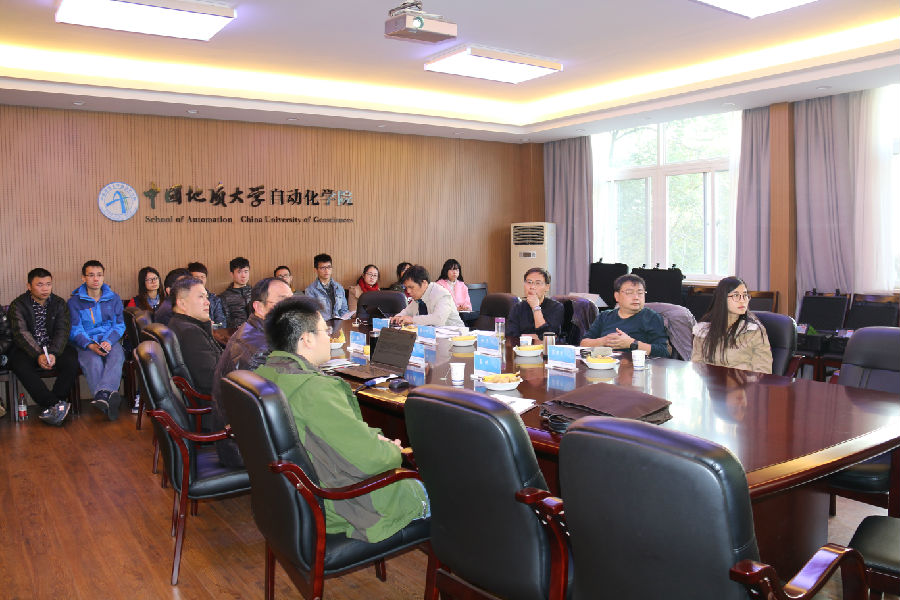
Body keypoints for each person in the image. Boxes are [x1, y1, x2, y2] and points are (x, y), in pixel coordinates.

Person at [256, 296, 429, 542]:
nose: (330, 337)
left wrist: (372, 441)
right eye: (325, 331)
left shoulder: (265, 374)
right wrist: (393, 451)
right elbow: (370, 460)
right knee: (445, 489)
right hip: (343, 506)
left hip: (293, 501)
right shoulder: (314, 390)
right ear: (306, 339)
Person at [211, 276, 294, 467]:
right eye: (283, 302)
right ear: (259, 307)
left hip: (239, 439)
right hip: (247, 449)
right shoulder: (262, 349)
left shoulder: (253, 331)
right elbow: (280, 409)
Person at [7, 268, 79, 426]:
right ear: (29, 286)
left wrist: (52, 353)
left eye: (48, 284)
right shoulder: (18, 305)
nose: (45, 288)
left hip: (54, 348)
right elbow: (21, 333)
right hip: (28, 350)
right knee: (18, 363)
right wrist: (38, 354)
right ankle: (53, 404)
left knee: (71, 360)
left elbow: (62, 331)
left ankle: (55, 405)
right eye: (39, 285)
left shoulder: (59, 303)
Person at [68, 260, 126, 420]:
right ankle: (109, 401)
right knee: (93, 362)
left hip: (109, 340)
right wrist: (90, 345)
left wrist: (109, 341)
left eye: (99, 275)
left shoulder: (113, 298)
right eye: (91, 275)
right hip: (86, 343)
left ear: (103, 277)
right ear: (83, 278)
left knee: (117, 356)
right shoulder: (74, 302)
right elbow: (74, 329)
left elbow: (119, 325)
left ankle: (102, 396)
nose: (96, 279)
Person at [691, 276, 772, 374]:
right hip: (711, 383)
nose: (742, 300)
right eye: (736, 295)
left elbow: (763, 371)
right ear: (722, 299)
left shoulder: (753, 331)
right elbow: (697, 366)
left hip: (744, 383)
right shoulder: (703, 330)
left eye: (745, 295)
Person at [580, 274, 670, 358]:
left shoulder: (652, 317)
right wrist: (604, 341)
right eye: (629, 292)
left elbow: (664, 352)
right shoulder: (605, 316)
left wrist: (631, 343)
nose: (636, 297)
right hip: (605, 364)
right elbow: (583, 343)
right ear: (617, 296)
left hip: (637, 366)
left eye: (640, 293)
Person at [167, 277, 222, 396]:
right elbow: (211, 380)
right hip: (216, 402)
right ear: (182, 303)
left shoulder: (176, 323)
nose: (207, 302)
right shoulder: (190, 333)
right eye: (201, 297)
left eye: (206, 297)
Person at [390, 265, 464, 327]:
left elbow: (438, 320)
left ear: (424, 283)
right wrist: (398, 317)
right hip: (431, 336)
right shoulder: (418, 297)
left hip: (456, 336)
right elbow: (408, 311)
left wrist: (412, 320)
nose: (408, 291)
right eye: (406, 287)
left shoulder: (442, 294)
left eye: (411, 287)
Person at [506, 267, 563, 342]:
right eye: (529, 282)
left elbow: (548, 338)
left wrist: (536, 308)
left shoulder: (556, 307)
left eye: (538, 283)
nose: (532, 287)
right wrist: (534, 337)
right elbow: (511, 336)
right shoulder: (517, 307)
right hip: (522, 348)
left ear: (547, 287)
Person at [304, 253, 350, 321]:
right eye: (323, 268)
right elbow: (312, 314)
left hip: (339, 323)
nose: (326, 270)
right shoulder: (310, 290)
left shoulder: (339, 288)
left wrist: (346, 321)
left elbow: (344, 310)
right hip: (322, 324)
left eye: (329, 267)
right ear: (316, 270)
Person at [188, 261, 227, 328]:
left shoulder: (214, 299)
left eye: (202, 277)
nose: (200, 280)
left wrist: (212, 326)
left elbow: (221, 323)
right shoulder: (186, 298)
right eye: (196, 277)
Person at [221, 256, 252, 329]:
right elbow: (225, 321)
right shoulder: (224, 297)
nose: (243, 275)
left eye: (246, 271)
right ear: (232, 274)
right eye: (239, 272)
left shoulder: (256, 292)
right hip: (236, 332)